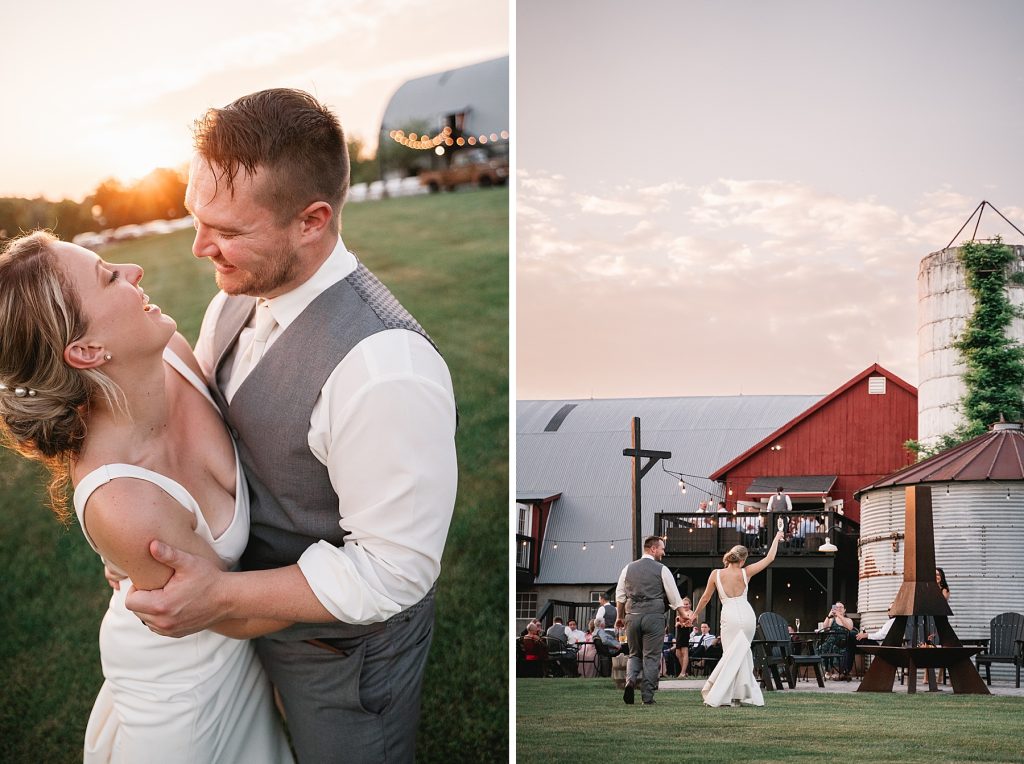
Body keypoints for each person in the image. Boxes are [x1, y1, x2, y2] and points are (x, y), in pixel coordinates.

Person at [122, 89, 458, 762]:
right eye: (196, 217)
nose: (198, 247)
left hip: (343, 658)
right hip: (253, 628)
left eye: (228, 229)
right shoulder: (234, 300)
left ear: (312, 221)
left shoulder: (385, 369)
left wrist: (221, 594)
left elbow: (395, 570)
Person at [0, 232, 293, 762]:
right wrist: (359, 585)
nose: (133, 269)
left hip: (241, 640)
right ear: (86, 350)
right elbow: (227, 613)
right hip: (183, 690)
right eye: (109, 276)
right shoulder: (125, 502)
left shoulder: (174, 355)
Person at [692, 530, 785, 707]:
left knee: (730, 655)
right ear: (743, 560)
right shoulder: (746, 572)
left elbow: (705, 598)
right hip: (747, 615)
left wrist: (695, 613)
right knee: (742, 654)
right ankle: (740, 696)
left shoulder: (716, 574)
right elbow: (769, 558)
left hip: (730, 615)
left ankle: (723, 695)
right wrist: (777, 537)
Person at [614, 535, 689, 705]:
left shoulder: (627, 568)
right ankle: (647, 697)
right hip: (654, 617)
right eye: (662, 548)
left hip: (632, 617)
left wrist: (620, 617)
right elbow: (674, 596)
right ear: (653, 549)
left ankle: (630, 681)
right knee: (651, 657)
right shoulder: (661, 569)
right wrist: (683, 614)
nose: (663, 552)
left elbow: (620, 595)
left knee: (634, 654)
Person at [819, 602, 857, 680]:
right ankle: (828, 670)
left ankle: (838, 672)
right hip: (831, 640)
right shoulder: (832, 619)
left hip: (843, 642)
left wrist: (839, 616)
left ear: (844, 610)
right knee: (823, 647)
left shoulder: (848, 619)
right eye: (837, 607)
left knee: (836, 647)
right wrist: (829, 616)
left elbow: (849, 628)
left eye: (841, 607)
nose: (838, 609)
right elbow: (825, 628)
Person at [674, 599, 695, 677]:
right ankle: (685, 671)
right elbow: (676, 623)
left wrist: (682, 623)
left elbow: (690, 623)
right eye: (684, 604)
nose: (685, 606)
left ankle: (682, 673)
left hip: (685, 632)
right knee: (678, 653)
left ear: (690, 605)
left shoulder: (691, 613)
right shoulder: (680, 612)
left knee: (684, 652)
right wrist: (678, 623)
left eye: (687, 604)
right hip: (679, 633)